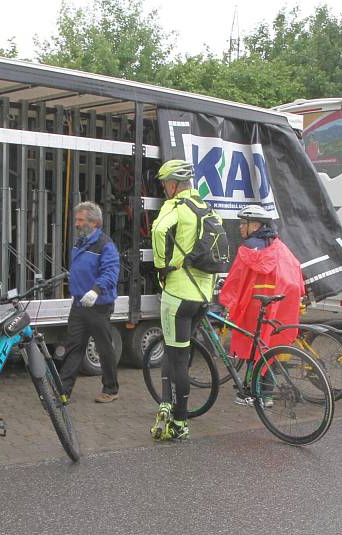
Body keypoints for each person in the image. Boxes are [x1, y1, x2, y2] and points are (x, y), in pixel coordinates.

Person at [150, 159, 215, 441]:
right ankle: (167, 401)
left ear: (173, 184)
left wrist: (161, 267)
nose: (165, 189)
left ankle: (180, 421)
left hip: (178, 294)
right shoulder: (206, 208)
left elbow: (158, 231)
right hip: (203, 296)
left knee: (176, 357)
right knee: (179, 351)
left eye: (165, 184)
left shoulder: (176, 206)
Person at [218, 205, 305, 405]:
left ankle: (250, 393)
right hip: (279, 305)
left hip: (255, 306)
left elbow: (235, 279)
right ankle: (266, 395)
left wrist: (226, 298)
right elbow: (294, 271)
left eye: (243, 223)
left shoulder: (247, 249)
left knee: (253, 344)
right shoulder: (279, 247)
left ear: (255, 225)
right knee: (270, 346)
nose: (240, 227)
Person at [58, 201, 121, 403]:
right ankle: (63, 391)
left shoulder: (105, 245)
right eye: (77, 219)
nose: (76, 223)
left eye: (80, 220)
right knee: (73, 347)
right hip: (79, 304)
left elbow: (111, 273)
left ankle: (111, 389)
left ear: (93, 223)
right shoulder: (81, 242)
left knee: (104, 348)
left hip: (98, 305)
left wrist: (95, 290)